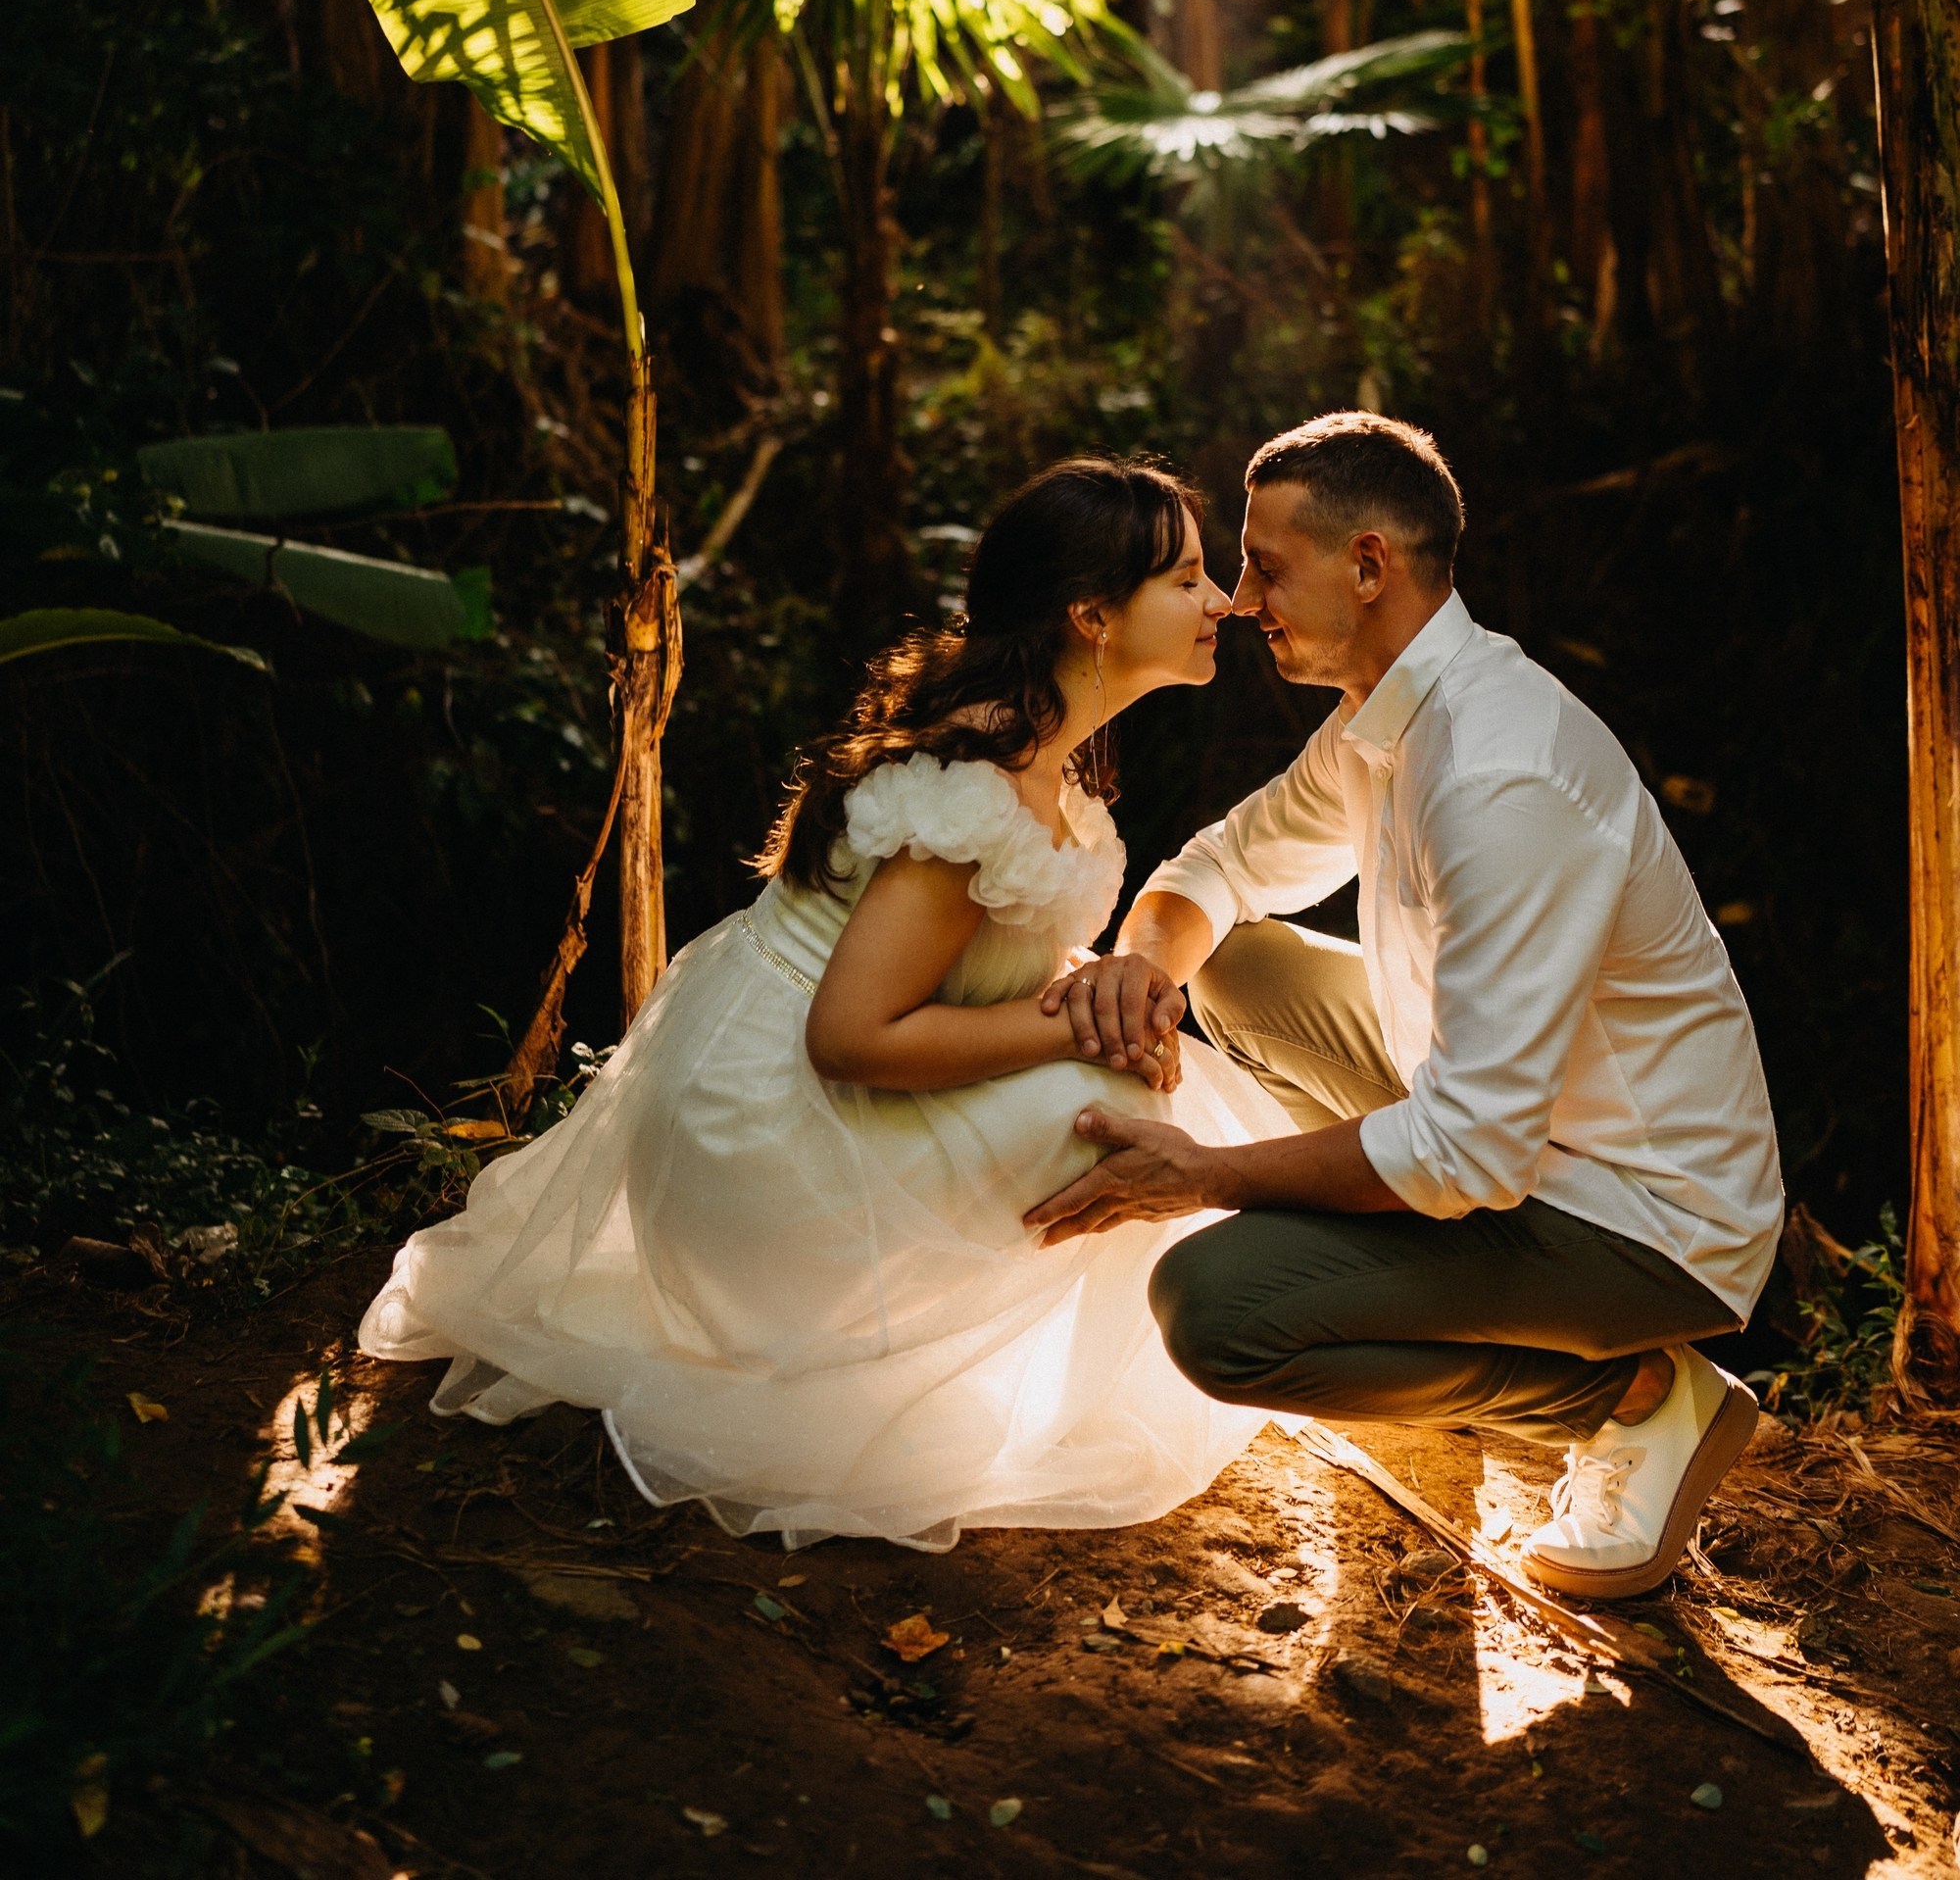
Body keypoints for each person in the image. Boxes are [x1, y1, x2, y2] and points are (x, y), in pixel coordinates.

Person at [359, 457, 1294, 1551]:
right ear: (1092, 614)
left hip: (809, 1105)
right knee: (1105, 1101)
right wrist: (1071, 1018)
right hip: (766, 1143)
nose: (1220, 602)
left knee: (1160, 1077)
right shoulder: (975, 787)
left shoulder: (1041, 742)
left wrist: (1091, 995)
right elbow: (849, 1038)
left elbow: (984, 962)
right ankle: (904, 1358)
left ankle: (982, 1351)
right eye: (1186, 579)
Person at [1027, 412, 1784, 1604]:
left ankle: (1637, 1395)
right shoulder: (1389, 718)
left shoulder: (1496, 772)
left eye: (1264, 566)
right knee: (1237, 963)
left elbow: (1470, 1147)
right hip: (1511, 1131)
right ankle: (1418, 1281)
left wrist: (1203, 1177)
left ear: (1366, 564)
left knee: (1213, 1309)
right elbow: (1218, 868)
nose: (1234, 599)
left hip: (1642, 1213)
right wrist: (1143, 967)